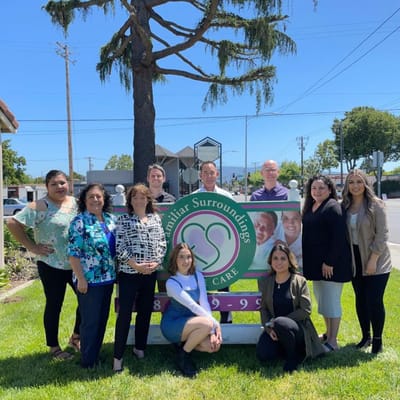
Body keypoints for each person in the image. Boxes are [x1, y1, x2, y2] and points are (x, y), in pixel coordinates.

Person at [6, 169, 81, 360]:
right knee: (55, 304)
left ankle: (76, 337)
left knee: (86, 301)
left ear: (68, 184)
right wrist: (32, 246)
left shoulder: (75, 203)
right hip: (51, 264)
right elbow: (13, 223)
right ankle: (54, 348)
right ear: (47, 187)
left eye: (62, 183)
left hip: (75, 264)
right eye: (54, 184)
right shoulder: (39, 205)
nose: (59, 187)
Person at [113, 183, 167, 372]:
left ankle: (140, 347)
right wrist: (135, 265)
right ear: (130, 200)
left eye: (142, 197)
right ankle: (118, 356)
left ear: (148, 199)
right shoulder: (124, 220)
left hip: (149, 274)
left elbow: (162, 243)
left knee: (145, 312)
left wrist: (156, 261)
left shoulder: (155, 219)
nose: (139, 200)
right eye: (135, 197)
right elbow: (120, 247)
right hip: (129, 275)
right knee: (125, 315)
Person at [341, 169, 392, 354]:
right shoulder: (345, 206)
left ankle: (378, 340)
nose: (355, 186)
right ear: (347, 185)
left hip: (376, 259)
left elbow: (382, 234)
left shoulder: (376, 205)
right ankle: (366, 336)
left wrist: (373, 260)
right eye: (352, 182)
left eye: (359, 182)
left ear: (365, 183)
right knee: (360, 300)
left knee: (374, 300)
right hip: (355, 259)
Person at [67, 183, 117, 368]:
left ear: (104, 199)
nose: (96, 200)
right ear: (84, 200)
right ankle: (87, 361)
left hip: (108, 278)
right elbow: (73, 253)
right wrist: (80, 278)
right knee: (90, 321)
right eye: (91, 197)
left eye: (99, 196)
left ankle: (95, 354)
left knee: (102, 319)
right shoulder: (79, 222)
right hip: (89, 280)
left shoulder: (111, 220)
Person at [256, 244, 326, 373]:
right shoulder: (266, 282)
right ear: (270, 262)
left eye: (283, 258)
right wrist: (269, 328)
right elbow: (263, 308)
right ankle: (284, 347)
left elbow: (306, 310)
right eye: (275, 258)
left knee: (281, 323)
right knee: (264, 355)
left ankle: (293, 357)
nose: (279, 262)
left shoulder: (299, 281)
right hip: (274, 327)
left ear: (289, 261)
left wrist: (279, 321)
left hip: (298, 328)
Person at [302, 175, 352, 351]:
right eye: (314, 188)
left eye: (321, 188)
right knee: (322, 301)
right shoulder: (311, 206)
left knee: (331, 301)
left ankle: (333, 341)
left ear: (330, 189)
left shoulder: (333, 207)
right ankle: (327, 333)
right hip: (316, 265)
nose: (317, 191)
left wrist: (330, 262)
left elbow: (339, 238)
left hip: (331, 265)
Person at [160, 243, 222, 377]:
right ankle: (183, 357)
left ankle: (182, 347)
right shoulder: (171, 283)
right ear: (175, 260)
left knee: (211, 347)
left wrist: (212, 332)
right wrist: (215, 324)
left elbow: (204, 302)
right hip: (172, 324)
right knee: (207, 323)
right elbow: (192, 306)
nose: (185, 261)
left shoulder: (198, 276)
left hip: (192, 324)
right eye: (181, 257)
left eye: (188, 257)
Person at [192, 160, 233, 323]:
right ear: (200, 176)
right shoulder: (193, 198)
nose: (209, 176)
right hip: (200, 249)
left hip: (222, 249)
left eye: (211, 172)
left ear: (217, 174)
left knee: (223, 284)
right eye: (205, 172)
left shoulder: (227, 196)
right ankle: (201, 322)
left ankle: (226, 319)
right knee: (200, 286)